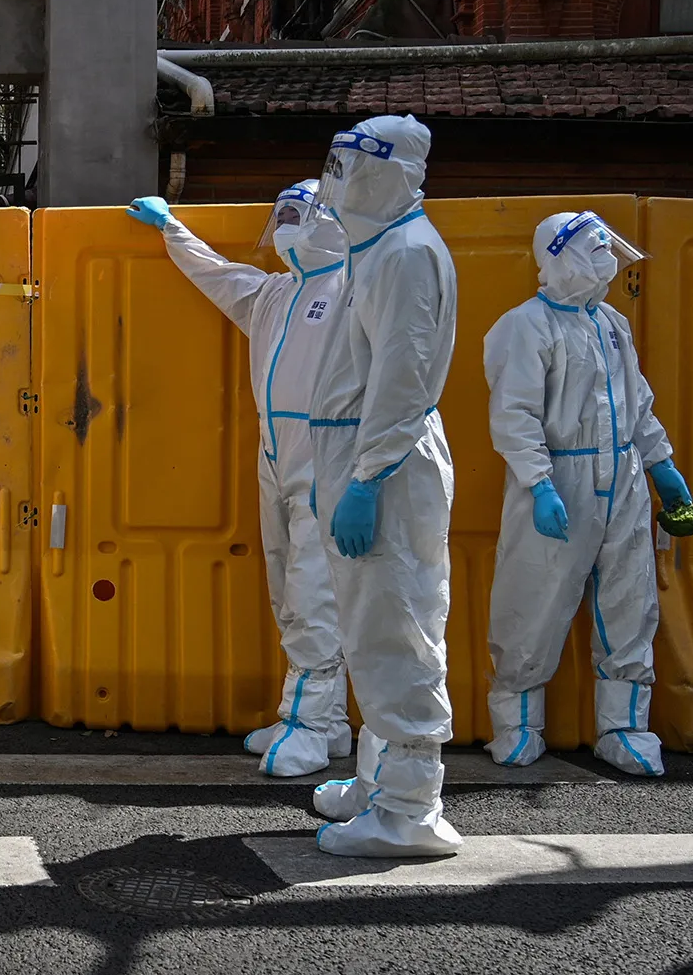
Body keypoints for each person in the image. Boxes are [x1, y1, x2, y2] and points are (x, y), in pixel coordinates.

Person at [125, 182, 351, 777]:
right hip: (279, 452)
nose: (286, 227)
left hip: (331, 452)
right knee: (288, 584)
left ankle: (307, 723)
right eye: (282, 217)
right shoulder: (276, 294)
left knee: (314, 591)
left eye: (298, 216)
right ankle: (324, 723)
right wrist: (171, 227)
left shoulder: (358, 288)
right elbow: (218, 275)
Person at [483, 210, 693, 777]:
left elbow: (637, 401)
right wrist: (538, 482)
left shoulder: (610, 324)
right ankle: (517, 725)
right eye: (595, 250)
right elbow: (514, 414)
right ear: (559, 257)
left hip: (622, 479)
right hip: (558, 480)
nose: (606, 261)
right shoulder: (524, 327)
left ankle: (624, 729)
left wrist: (661, 465)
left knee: (629, 601)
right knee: (533, 601)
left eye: (607, 249)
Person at [304, 115, 463, 858]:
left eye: (353, 168)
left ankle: (409, 810)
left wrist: (368, 478)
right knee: (371, 623)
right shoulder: (377, 249)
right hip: (369, 456)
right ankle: (381, 780)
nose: (339, 183)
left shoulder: (402, 254)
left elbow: (401, 378)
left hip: (387, 463)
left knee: (397, 624)